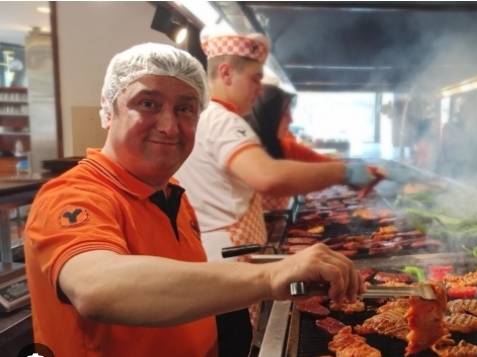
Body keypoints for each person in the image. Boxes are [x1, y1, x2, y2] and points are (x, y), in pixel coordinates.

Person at [23, 43, 363, 357]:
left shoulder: (172, 193)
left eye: (185, 108)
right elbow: (96, 287)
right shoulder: (71, 195)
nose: (170, 126)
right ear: (109, 110)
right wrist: (269, 278)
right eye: (147, 104)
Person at [245, 84, 336, 211]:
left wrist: (355, 172)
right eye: (286, 114)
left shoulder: (284, 146)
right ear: (270, 117)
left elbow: (322, 163)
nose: (291, 120)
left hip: (278, 224)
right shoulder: (242, 152)